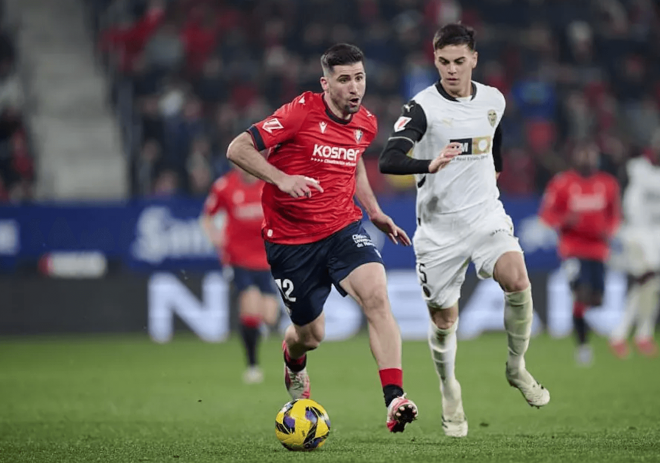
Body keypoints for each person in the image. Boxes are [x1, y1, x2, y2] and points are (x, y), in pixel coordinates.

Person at [225, 43, 419, 433]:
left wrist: (375, 211)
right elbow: (237, 148)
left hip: (342, 229)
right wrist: (281, 178)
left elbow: (355, 162)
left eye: (359, 78)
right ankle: (293, 360)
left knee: (377, 296)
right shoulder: (300, 112)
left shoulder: (366, 122)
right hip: (291, 242)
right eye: (343, 79)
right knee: (310, 336)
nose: (354, 87)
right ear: (325, 83)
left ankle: (394, 397)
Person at [379, 23, 550, 438]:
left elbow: (495, 141)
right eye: (443, 62)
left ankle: (516, 366)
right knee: (444, 320)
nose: (451, 70)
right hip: (438, 230)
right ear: (434, 59)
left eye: (459, 61)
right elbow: (388, 159)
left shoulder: (494, 99)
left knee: (518, 278)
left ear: (474, 59)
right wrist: (429, 164)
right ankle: (449, 390)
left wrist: (491, 174)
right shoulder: (421, 108)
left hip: (485, 217)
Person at [539, 142, 621, 365]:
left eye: (590, 155)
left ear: (596, 158)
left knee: (597, 299)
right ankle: (583, 348)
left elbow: (615, 214)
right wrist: (565, 220)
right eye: (582, 155)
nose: (586, 159)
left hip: (598, 249)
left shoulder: (608, 183)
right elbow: (547, 214)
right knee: (580, 294)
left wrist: (610, 230)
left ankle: (589, 331)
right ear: (575, 158)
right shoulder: (562, 183)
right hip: (572, 249)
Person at [200, 167, 280, 384]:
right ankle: (253, 366)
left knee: (270, 315)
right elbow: (207, 217)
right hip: (238, 260)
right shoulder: (224, 186)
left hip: (265, 259)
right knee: (250, 304)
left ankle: (254, 329)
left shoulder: (269, 183)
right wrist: (215, 238)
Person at [609, 145, 660, 358]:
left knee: (651, 286)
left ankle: (640, 335)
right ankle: (622, 335)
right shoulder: (635, 168)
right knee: (644, 280)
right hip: (635, 235)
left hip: (654, 236)